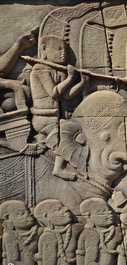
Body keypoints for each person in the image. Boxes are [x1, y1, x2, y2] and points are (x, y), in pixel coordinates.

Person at [30, 35, 88, 179]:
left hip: (54, 117)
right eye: (59, 49)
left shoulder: (58, 70)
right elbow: (54, 92)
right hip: (43, 118)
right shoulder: (40, 68)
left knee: (74, 130)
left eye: (66, 50)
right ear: (44, 49)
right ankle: (58, 169)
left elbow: (66, 95)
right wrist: (70, 78)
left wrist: (82, 83)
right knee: (67, 133)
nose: (64, 53)